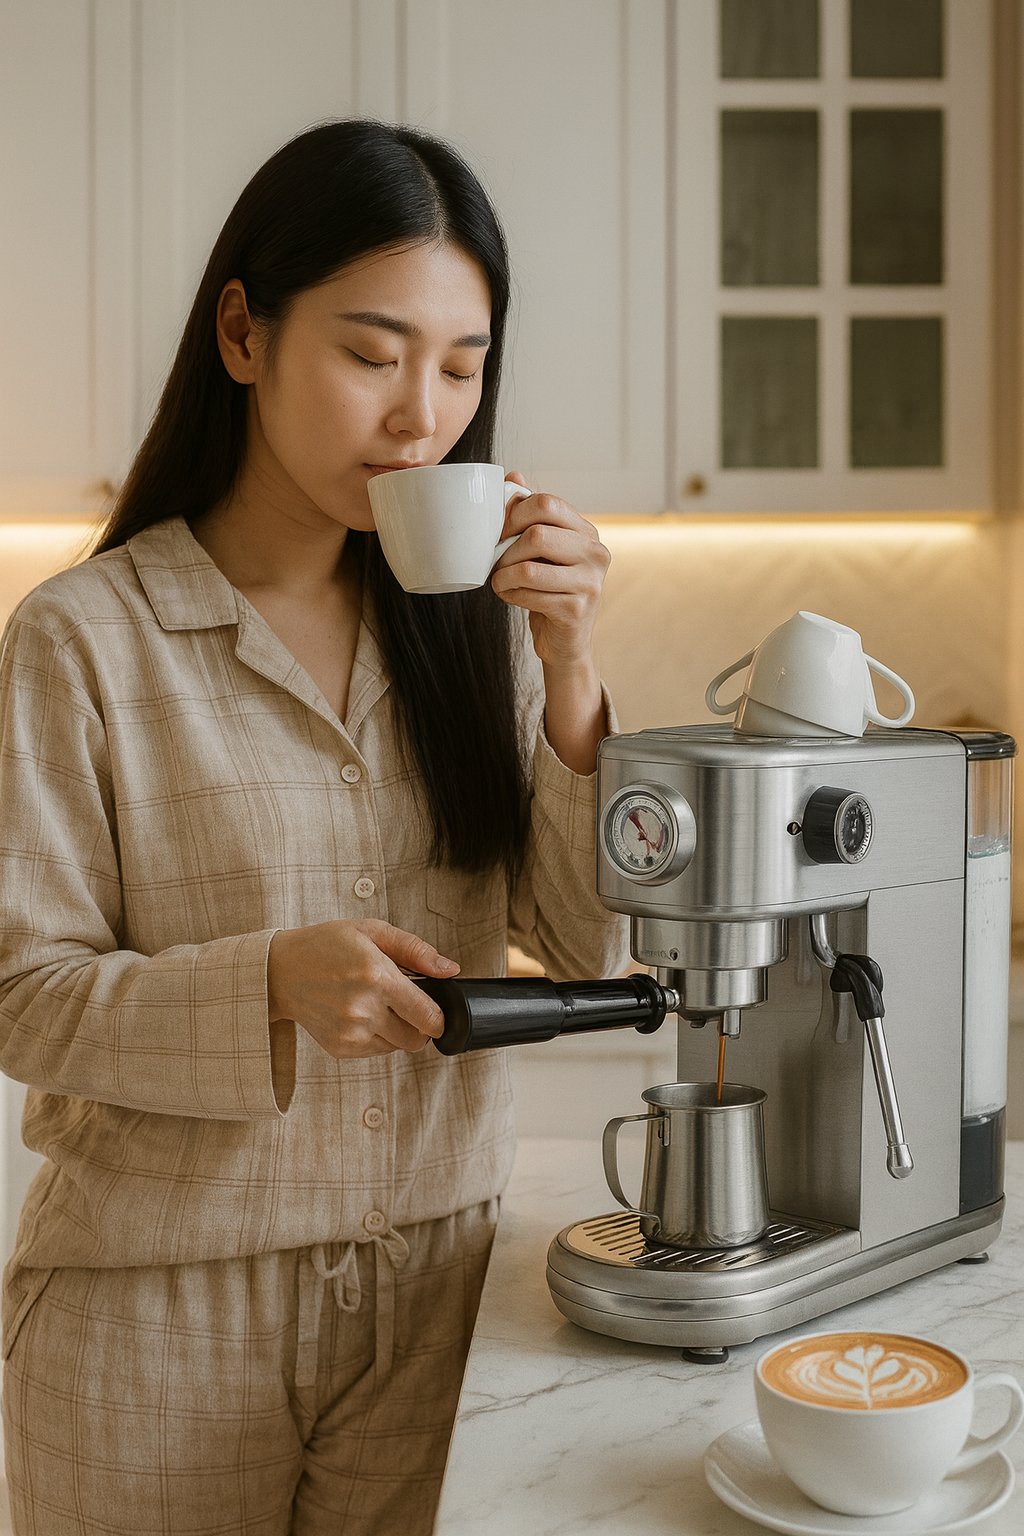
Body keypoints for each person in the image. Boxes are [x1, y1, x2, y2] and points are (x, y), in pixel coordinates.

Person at [0, 119, 628, 1533]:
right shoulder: (85, 640)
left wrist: (578, 667)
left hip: (438, 1315)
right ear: (243, 333)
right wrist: (267, 983)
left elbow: (585, 935)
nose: (422, 417)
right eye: (371, 352)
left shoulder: (484, 637)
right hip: (149, 1324)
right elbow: (17, 995)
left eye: (461, 368)